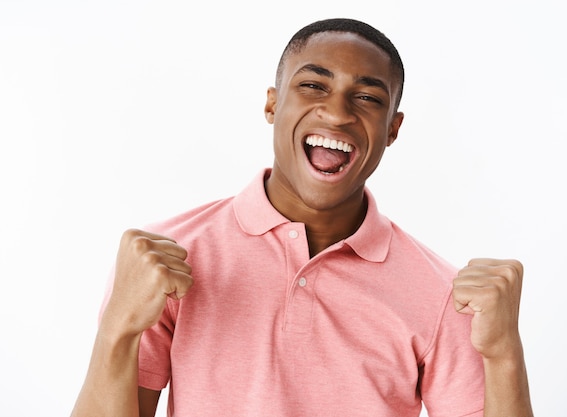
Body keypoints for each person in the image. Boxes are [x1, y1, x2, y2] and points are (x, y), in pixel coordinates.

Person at [71, 18, 533, 417]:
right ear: (273, 104)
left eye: (368, 97)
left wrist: (505, 354)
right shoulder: (169, 260)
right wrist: (117, 330)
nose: (335, 113)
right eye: (313, 85)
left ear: (392, 128)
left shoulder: (443, 296)